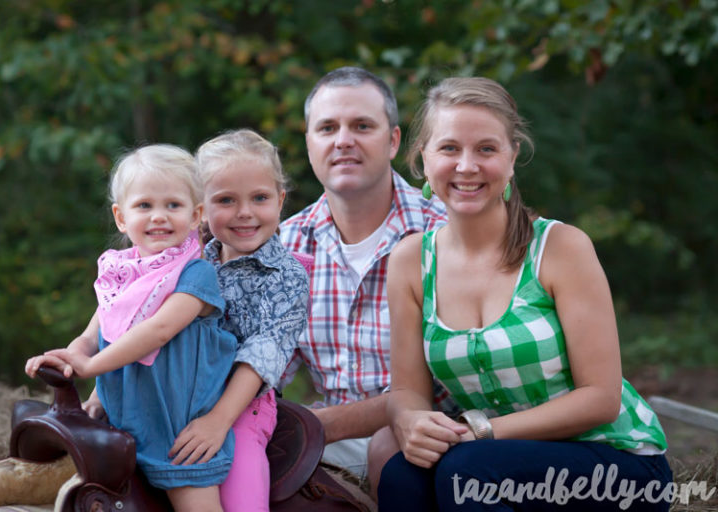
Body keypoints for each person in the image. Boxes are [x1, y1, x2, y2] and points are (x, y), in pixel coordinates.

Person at [378, 76, 672, 511]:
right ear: (423, 157)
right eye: (449, 148)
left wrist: (482, 429)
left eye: (486, 149)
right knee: (402, 475)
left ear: (513, 158)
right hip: (495, 456)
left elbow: (601, 398)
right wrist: (409, 422)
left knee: (468, 472)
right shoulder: (409, 262)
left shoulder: (559, 248)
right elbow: (407, 391)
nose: (466, 166)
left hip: (616, 463)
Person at [25, 144, 237, 512]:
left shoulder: (195, 273)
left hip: (178, 431)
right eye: (144, 206)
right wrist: (71, 358)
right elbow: (95, 333)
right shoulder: (121, 275)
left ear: (196, 215)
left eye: (173, 205)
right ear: (121, 218)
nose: (159, 216)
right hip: (126, 423)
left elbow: (158, 330)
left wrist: (92, 365)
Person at [279, 66, 453, 486]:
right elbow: (261, 373)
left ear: (393, 140)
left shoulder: (444, 233)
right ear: (309, 143)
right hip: (332, 444)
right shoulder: (284, 249)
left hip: (441, 437)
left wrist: (318, 424)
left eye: (362, 126)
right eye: (327, 128)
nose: (343, 141)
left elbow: (449, 387)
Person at [169, 129, 310, 511]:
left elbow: (264, 353)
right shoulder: (188, 261)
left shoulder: (287, 277)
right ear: (201, 208)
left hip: (242, 405)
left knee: (240, 474)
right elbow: (143, 322)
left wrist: (219, 420)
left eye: (260, 198)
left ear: (280, 201)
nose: (245, 212)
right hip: (178, 391)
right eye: (226, 200)